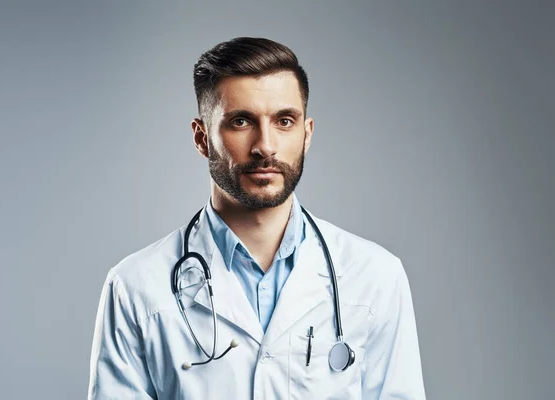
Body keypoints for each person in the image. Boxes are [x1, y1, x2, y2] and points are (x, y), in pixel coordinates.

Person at [88, 37, 426, 399]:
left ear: (306, 134)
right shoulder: (136, 286)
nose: (265, 145)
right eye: (240, 121)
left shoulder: (375, 276)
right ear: (202, 138)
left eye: (284, 121)